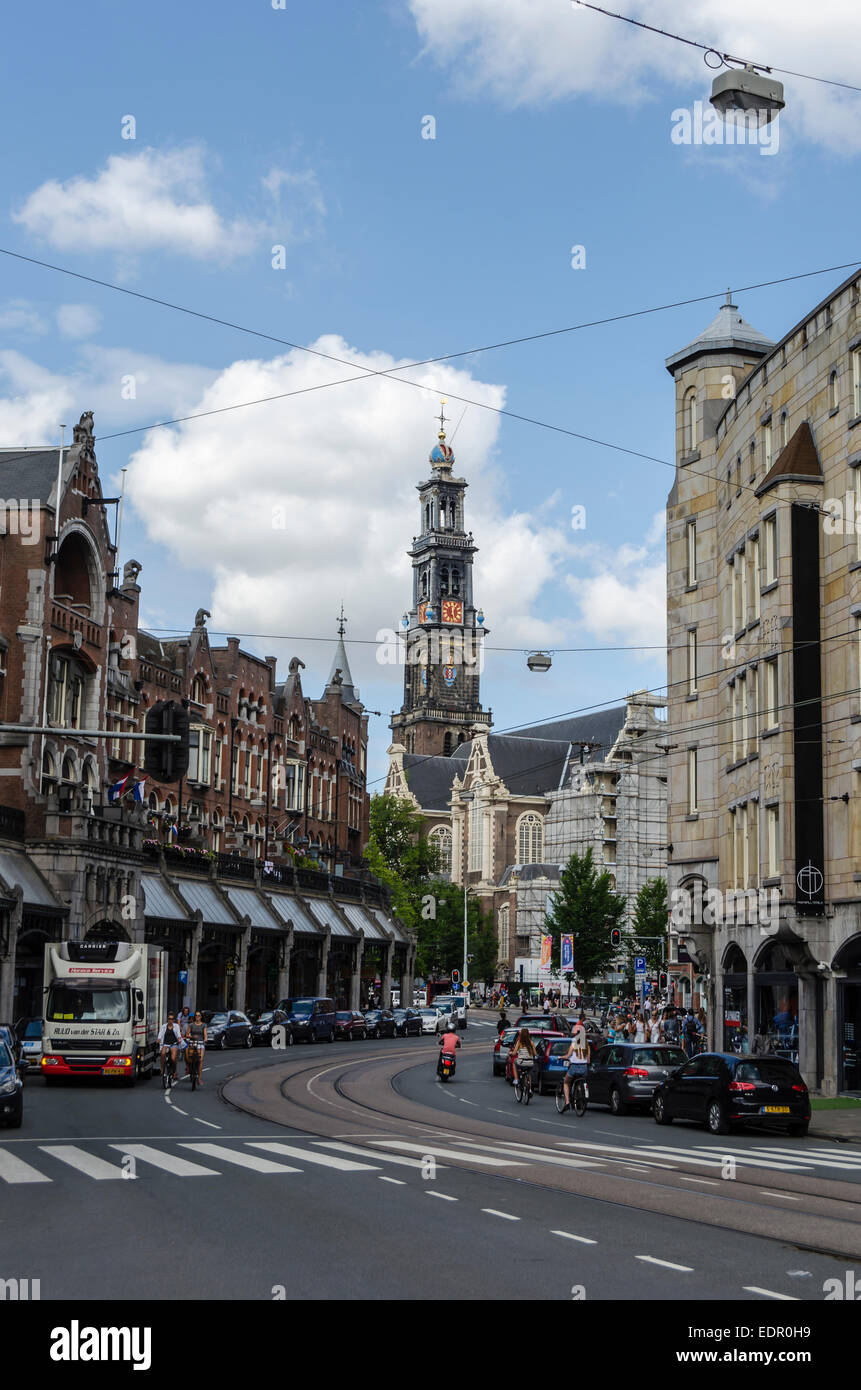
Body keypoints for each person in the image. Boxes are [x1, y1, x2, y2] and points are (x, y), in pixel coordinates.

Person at [560, 1013, 590, 1111]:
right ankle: (580, 1093)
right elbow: (588, 1059)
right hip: (584, 1067)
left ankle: (567, 1101)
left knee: (566, 1082)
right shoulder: (586, 1045)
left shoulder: (574, 1043)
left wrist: (561, 1057)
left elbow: (568, 1056)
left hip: (574, 1067)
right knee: (581, 1080)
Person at [185, 1010, 207, 1086]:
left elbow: (205, 1034)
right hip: (193, 1043)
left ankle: (199, 1079)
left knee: (200, 1060)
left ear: (201, 1017)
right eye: (196, 1015)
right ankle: (189, 1068)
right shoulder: (191, 1025)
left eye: (199, 1015)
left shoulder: (204, 1025)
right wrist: (192, 1036)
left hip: (201, 1043)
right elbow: (187, 1034)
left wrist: (205, 1039)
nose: (197, 1017)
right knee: (189, 1056)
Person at [158, 1012, 182, 1079]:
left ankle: (174, 1072)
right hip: (165, 1044)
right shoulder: (164, 1026)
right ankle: (162, 1069)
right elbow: (160, 1034)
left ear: (173, 1020)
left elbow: (178, 1034)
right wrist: (158, 1039)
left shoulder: (176, 1026)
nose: (170, 1020)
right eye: (169, 1019)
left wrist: (179, 1039)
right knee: (162, 1054)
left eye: (171, 1019)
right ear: (167, 1019)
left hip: (174, 1044)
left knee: (173, 1058)